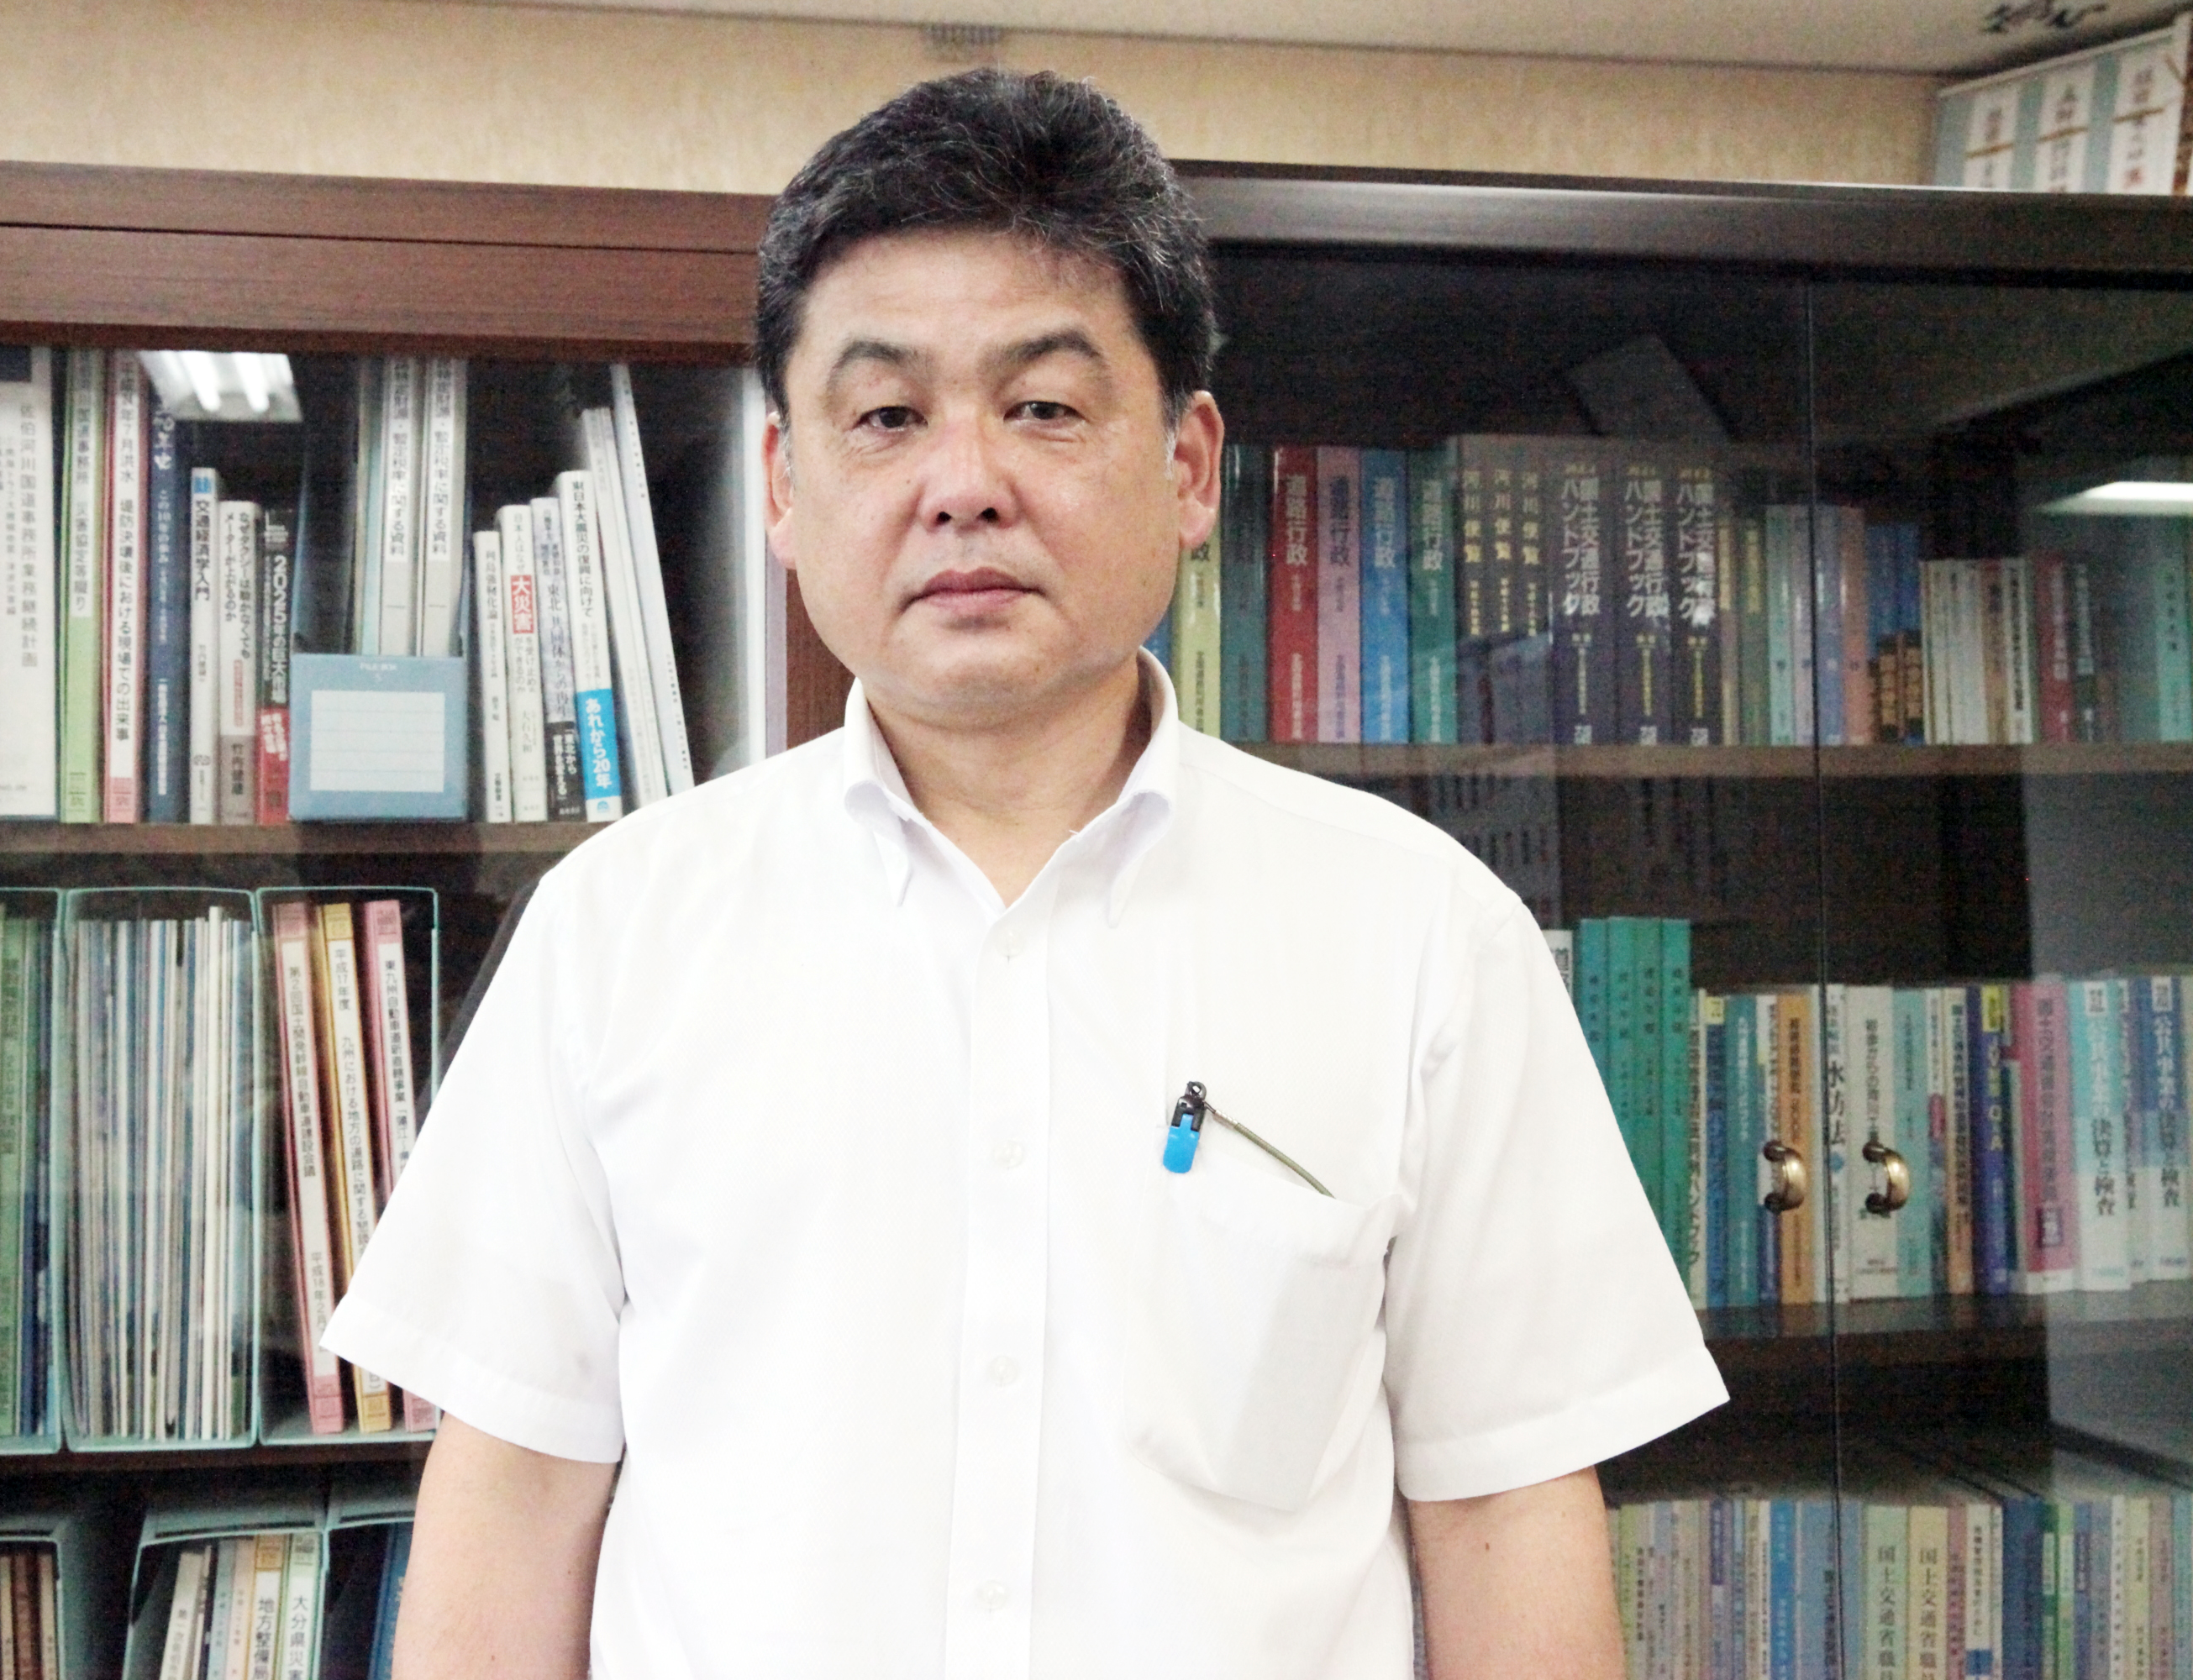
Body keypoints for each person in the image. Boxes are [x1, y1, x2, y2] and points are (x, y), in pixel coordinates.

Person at [323, 67, 1725, 1680]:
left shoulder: (1420, 935)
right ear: (782, 484)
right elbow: (516, 1496)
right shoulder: (616, 931)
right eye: (886, 416)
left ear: (1189, 465)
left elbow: (1502, 1510)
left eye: (1045, 407)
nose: (966, 481)